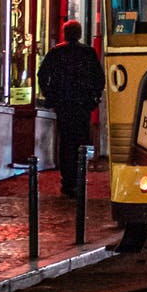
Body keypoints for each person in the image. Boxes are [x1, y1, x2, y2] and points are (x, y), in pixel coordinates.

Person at [37, 20, 105, 198]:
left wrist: (51, 95)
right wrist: (94, 97)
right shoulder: (88, 53)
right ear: (80, 34)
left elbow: (42, 74)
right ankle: (77, 179)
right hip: (82, 104)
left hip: (64, 104)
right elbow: (99, 78)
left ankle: (67, 181)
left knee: (66, 142)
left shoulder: (57, 52)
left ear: (65, 34)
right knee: (80, 142)